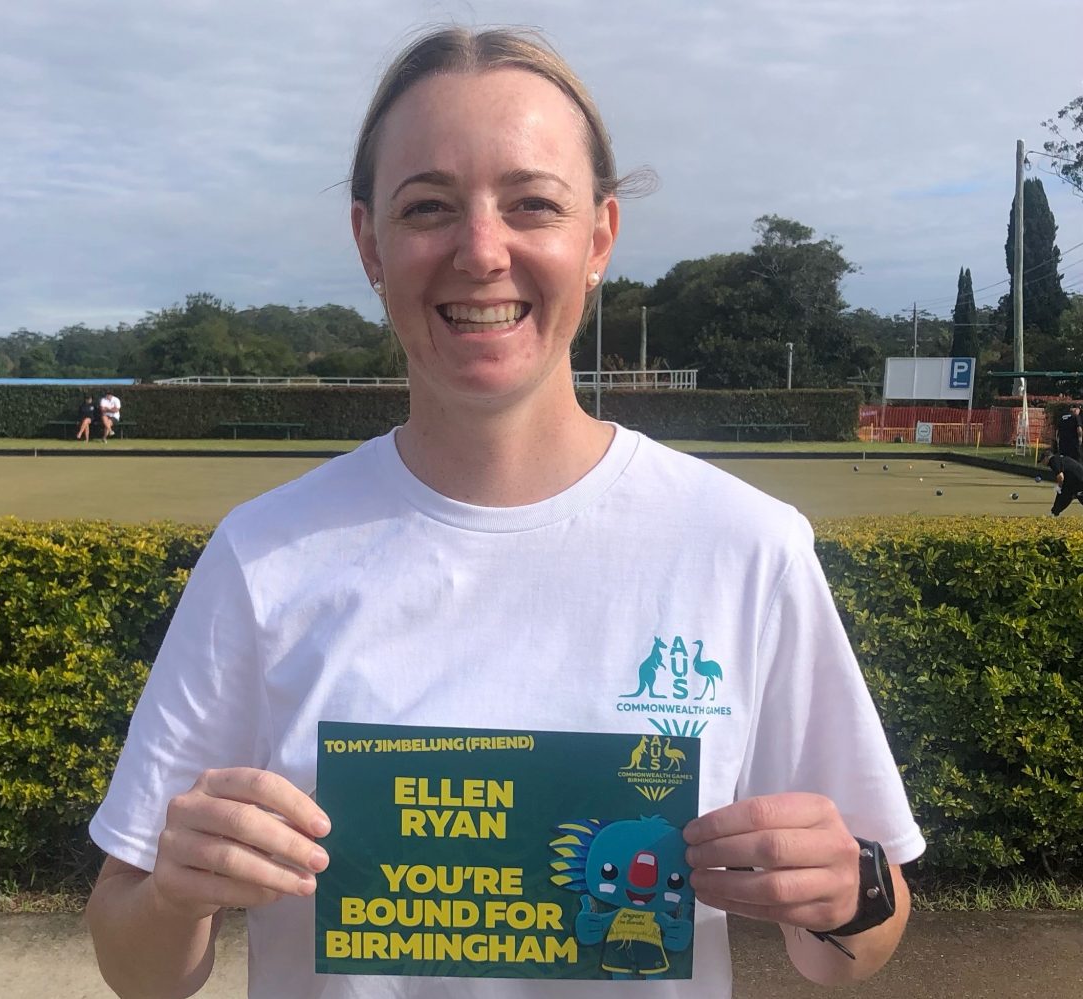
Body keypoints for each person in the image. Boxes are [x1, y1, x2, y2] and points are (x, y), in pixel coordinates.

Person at [85, 26, 924, 999]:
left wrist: (850, 890)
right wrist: (176, 895)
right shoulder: (264, 557)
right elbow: (135, 963)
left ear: (599, 236)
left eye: (532, 203)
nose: (482, 252)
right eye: (428, 207)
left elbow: (860, 941)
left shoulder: (745, 546)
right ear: (370, 244)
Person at [1044, 451, 1083, 515]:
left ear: (1046, 458)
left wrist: (1059, 486)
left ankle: (1054, 514)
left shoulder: (1053, 460)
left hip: (1078, 482)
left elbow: (1060, 476)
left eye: (1042, 461)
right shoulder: (1060, 458)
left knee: (1064, 494)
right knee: (1064, 495)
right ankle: (1054, 514)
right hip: (1073, 482)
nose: (1043, 463)